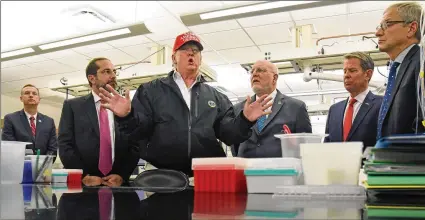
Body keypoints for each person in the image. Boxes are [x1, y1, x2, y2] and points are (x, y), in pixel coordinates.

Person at [98, 31, 273, 176]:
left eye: (195, 51)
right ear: (174, 58)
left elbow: (228, 135)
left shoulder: (216, 96)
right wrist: (126, 116)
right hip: (162, 175)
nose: (191, 54)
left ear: (200, 59)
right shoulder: (151, 91)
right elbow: (139, 132)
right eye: (185, 50)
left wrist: (245, 119)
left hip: (206, 175)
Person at [58, 57, 139, 187]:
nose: (113, 76)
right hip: (84, 187)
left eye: (114, 72)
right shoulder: (73, 106)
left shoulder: (125, 107)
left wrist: (122, 175)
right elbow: (65, 144)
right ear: (92, 78)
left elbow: (135, 144)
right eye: (106, 71)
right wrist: (83, 176)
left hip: (118, 186)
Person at [375, 2, 425, 139]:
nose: (377, 33)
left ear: (411, 28)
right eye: (379, 27)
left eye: (387, 24)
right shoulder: (397, 69)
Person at [231, 60, 312, 157]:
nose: (255, 74)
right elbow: (234, 144)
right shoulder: (239, 109)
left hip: (281, 170)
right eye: (252, 71)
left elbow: (306, 147)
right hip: (246, 169)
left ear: (274, 78)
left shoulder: (296, 107)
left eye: (261, 70)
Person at [324, 52, 383, 150]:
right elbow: (328, 145)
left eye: (352, 70)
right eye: (345, 71)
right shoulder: (334, 110)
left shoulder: (381, 105)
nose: (346, 75)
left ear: (367, 74)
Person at [2, 84, 57, 156]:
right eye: (27, 93)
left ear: (39, 99)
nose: (31, 95)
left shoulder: (49, 121)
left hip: (43, 165)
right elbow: (9, 146)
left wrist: (42, 164)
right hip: (20, 164)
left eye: (34, 93)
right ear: (21, 98)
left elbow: (53, 148)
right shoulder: (10, 119)